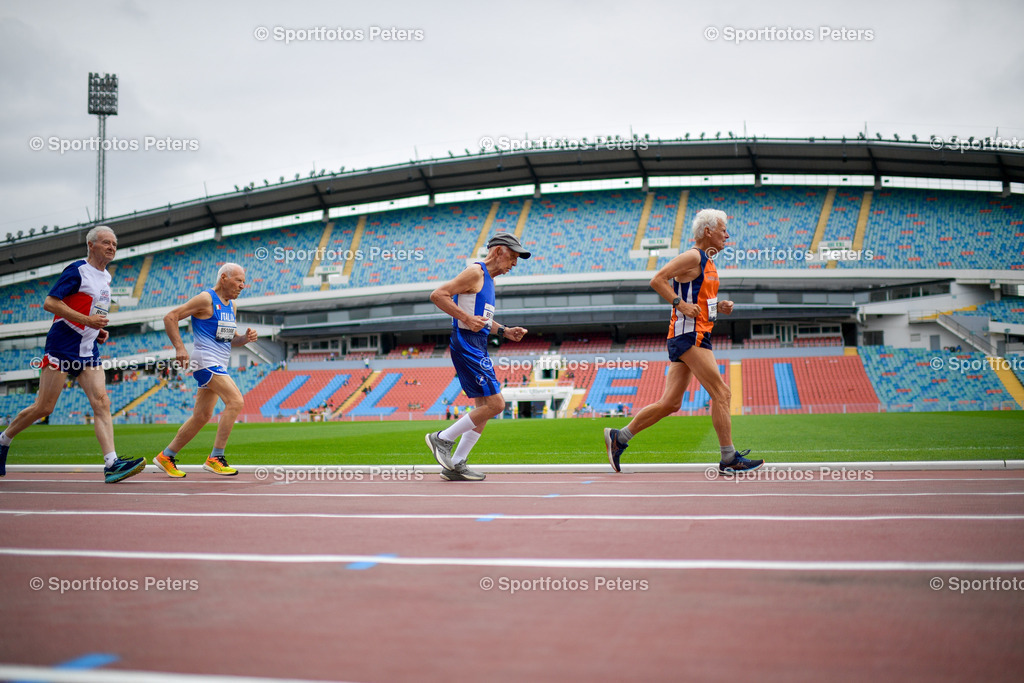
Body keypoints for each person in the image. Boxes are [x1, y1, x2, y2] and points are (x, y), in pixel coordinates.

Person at [603, 209, 763, 476]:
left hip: (697, 334)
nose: (728, 235)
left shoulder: (709, 263)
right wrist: (680, 304)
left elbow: (698, 299)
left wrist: (717, 306)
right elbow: (657, 280)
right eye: (723, 229)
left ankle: (620, 437)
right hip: (689, 335)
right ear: (708, 232)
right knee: (722, 393)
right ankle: (729, 458)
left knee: (671, 403)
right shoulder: (692, 256)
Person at [0, 226, 145, 483]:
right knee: (44, 407)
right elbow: (51, 303)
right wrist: (86, 321)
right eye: (106, 243)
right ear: (91, 245)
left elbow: (90, 311)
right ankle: (3, 440)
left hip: (88, 349)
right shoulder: (77, 270)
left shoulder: (106, 278)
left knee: (101, 401)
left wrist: (96, 330)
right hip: (63, 345)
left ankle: (112, 463)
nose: (112, 247)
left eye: (114, 243)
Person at [424, 233, 530, 481]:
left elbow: (482, 319)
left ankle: (457, 463)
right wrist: (466, 318)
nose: (514, 264)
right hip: (467, 343)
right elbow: (438, 294)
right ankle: (442, 439)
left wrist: (504, 331)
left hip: (476, 343)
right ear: (498, 251)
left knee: (484, 408)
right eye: (512, 257)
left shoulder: (489, 280)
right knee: (497, 404)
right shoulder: (476, 272)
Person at [153, 263, 257, 478]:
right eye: (238, 280)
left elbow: (231, 339)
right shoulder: (205, 299)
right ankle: (216, 457)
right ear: (224, 278)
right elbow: (170, 317)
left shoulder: (232, 306)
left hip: (219, 361)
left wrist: (245, 338)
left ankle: (166, 456)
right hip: (205, 361)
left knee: (202, 416)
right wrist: (180, 348)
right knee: (236, 401)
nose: (243, 285)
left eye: (243, 281)